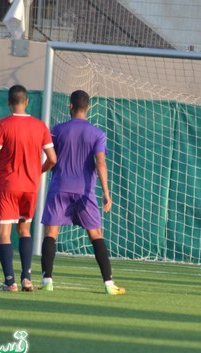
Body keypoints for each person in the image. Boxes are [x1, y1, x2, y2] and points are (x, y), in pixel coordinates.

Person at [39, 90, 125, 295]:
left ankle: (47, 281)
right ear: (88, 108)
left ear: (70, 106)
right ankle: (108, 284)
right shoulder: (97, 133)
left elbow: (50, 158)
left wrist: (37, 172)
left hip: (59, 188)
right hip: (85, 192)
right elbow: (101, 162)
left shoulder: (58, 130)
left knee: (51, 233)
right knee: (96, 234)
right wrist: (106, 192)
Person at [0, 85, 56, 292]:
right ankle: (27, 279)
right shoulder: (40, 126)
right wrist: (37, 172)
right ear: (27, 102)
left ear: (8, 102)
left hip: (8, 187)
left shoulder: (2, 125)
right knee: (24, 231)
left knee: (4, 234)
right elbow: (52, 159)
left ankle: (9, 282)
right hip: (30, 188)